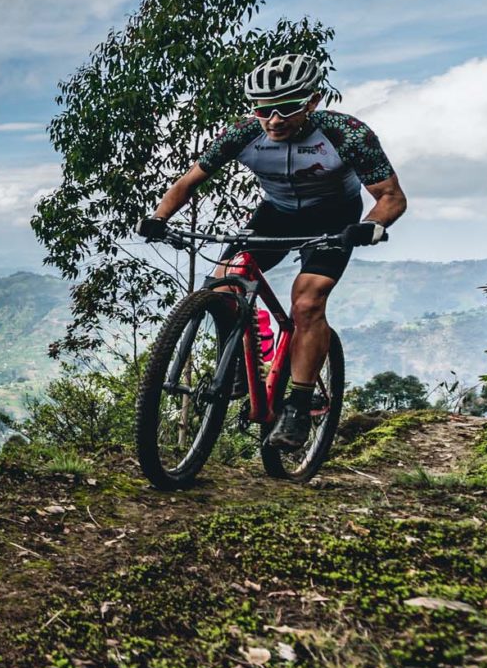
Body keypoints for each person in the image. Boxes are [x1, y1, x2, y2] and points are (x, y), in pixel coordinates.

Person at [136, 54, 408, 449]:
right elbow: (187, 182)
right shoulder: (243, 133)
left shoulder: (345, 133)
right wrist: (158, 217)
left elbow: (390, 196)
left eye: (288, 107)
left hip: (335, 219)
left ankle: (298, 406)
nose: (275, 119)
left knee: (307, 303)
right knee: (223, 284)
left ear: (313, 102)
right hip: (276, 215)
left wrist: (371, 226)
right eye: (264, 109)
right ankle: (236, 372)